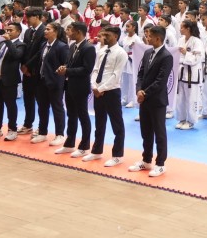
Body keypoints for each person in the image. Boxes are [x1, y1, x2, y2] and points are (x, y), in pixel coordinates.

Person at [131, 24, 173, 177]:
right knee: (146, 131)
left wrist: (145, 93)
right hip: (144, 99)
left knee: (159, 133)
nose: (147, 38)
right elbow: (140, 73)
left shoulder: (167, 56)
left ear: (158, 38)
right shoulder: (148, 52)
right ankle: (146, 160)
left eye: (150, 36)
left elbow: (161, 81)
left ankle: (160, 164)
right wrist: (138, 90)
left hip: (157, 100)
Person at [84, 26, 129, 166]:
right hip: (98, 90)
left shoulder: (121, 53)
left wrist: (101, 88)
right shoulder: (102, 51)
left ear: (115, 36)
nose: (104, 38)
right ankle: (96, 151)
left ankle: (118, 155)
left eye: (107, 35)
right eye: (104, 35)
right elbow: (95, 70)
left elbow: (116, 75)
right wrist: (94, 86)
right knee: (99, 122)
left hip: (112, 91)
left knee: (117, 124)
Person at [57, 22, 95, 156]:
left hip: (80, 87)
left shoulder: (89, 48)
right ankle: (69, 144)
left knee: (83, 116)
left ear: (78, 32)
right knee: (71, 115)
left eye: (71, 30)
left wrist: (67, 71)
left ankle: (84, 146)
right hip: (69, 85)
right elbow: (69, 63)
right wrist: (64, 67)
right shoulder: (73, 46)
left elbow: (87, 69)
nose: (68, 33)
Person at [0, 23, 24, 140]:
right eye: (7, 30)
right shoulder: (1, 43)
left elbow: (16, 55)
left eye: (11, 30)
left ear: (18, 32)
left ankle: (12, 129)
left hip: (9, 80)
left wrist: (8, 41)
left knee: (11, 106)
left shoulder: (20, 44)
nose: (8, 32)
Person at [33, 22, 69, 146]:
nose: (45, 31)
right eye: (45, 29)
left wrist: (58, 78)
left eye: (48, 29)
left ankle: (60, 134)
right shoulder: (44, 44)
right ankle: (42, 132)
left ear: (56, 32)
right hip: (41, 81)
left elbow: (65, 64)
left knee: (57, 108)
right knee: (42, 108)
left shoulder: (62, 46)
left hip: (55, 82)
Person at [174, 20, 203, 130]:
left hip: (192, 73)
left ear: (188, 29)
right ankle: (182, 119)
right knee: (180, 97)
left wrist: (186, 53)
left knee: (191, 98)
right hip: (181, 72)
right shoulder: (180, 40)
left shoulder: (197, 41)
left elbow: (197, 59)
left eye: (182, 27)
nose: (180, 29)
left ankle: (191, 121)